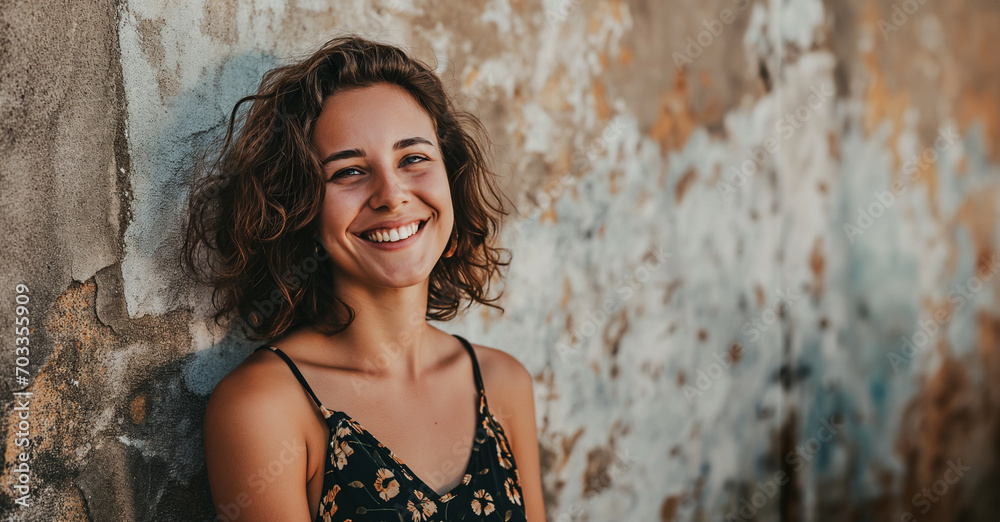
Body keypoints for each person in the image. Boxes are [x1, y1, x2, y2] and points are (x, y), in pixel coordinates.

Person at [184, 35, 545, 521]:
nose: (392, 195)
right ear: (300, 208)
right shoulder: (266, 407)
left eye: (413, 158)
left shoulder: (503, 384)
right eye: (350, 171)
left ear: (450, 177)